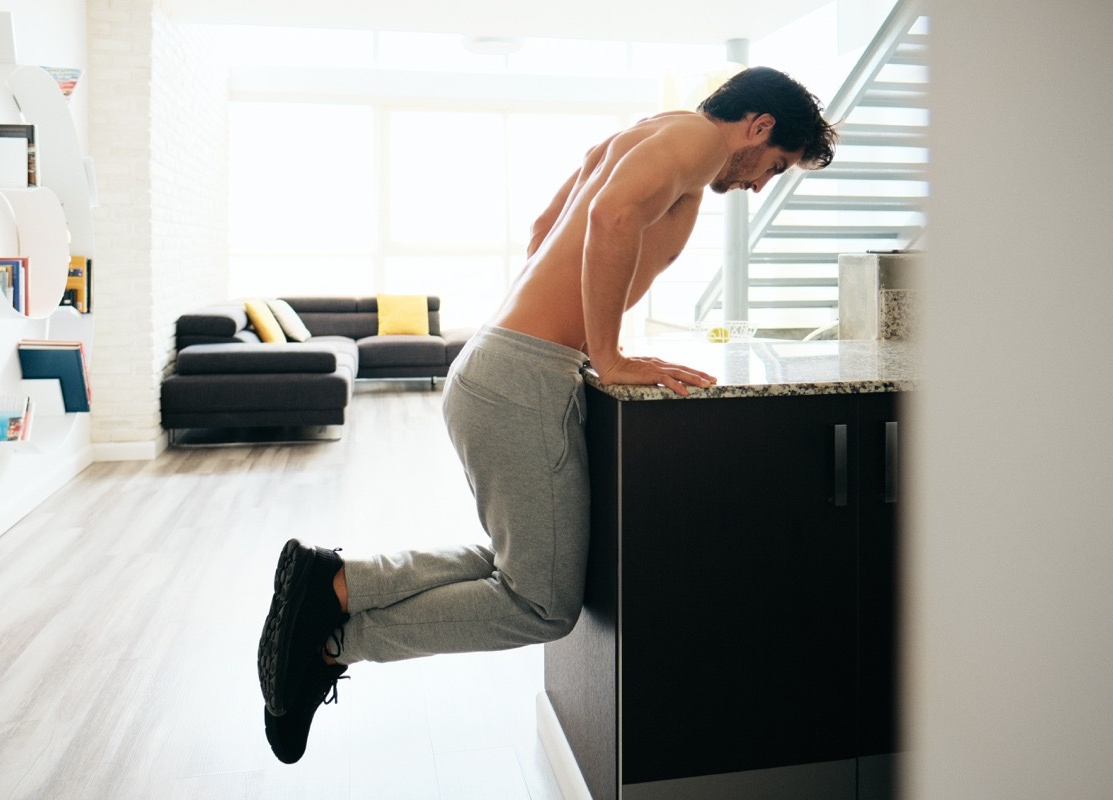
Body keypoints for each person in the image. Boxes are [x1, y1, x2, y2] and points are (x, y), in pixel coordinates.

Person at [256, 65, 837, 764]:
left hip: (502, 365)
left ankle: (337, 581)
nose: (758, 184)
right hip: (519, 378)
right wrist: (607, 352)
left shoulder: (644, 134)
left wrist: (568, 338)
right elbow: (609, 218)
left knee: (531, 566)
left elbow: (542, 233)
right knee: (542, 604)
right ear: (759, 127)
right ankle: (328, 645)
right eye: (774, 167)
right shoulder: (693, 140)